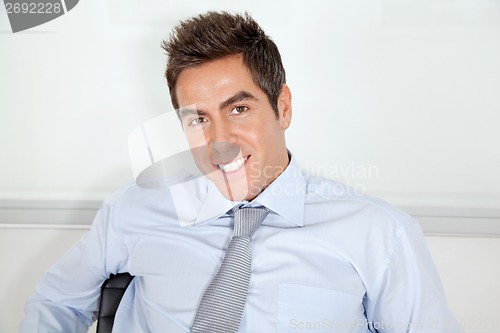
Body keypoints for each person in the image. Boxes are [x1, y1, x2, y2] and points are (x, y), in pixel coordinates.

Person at [21, 11, 464, 333]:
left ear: (283, 107)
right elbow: (56, 303)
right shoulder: (132, 211)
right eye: (198, 118)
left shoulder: (379, 233)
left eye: (238, 108)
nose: (220, 140)